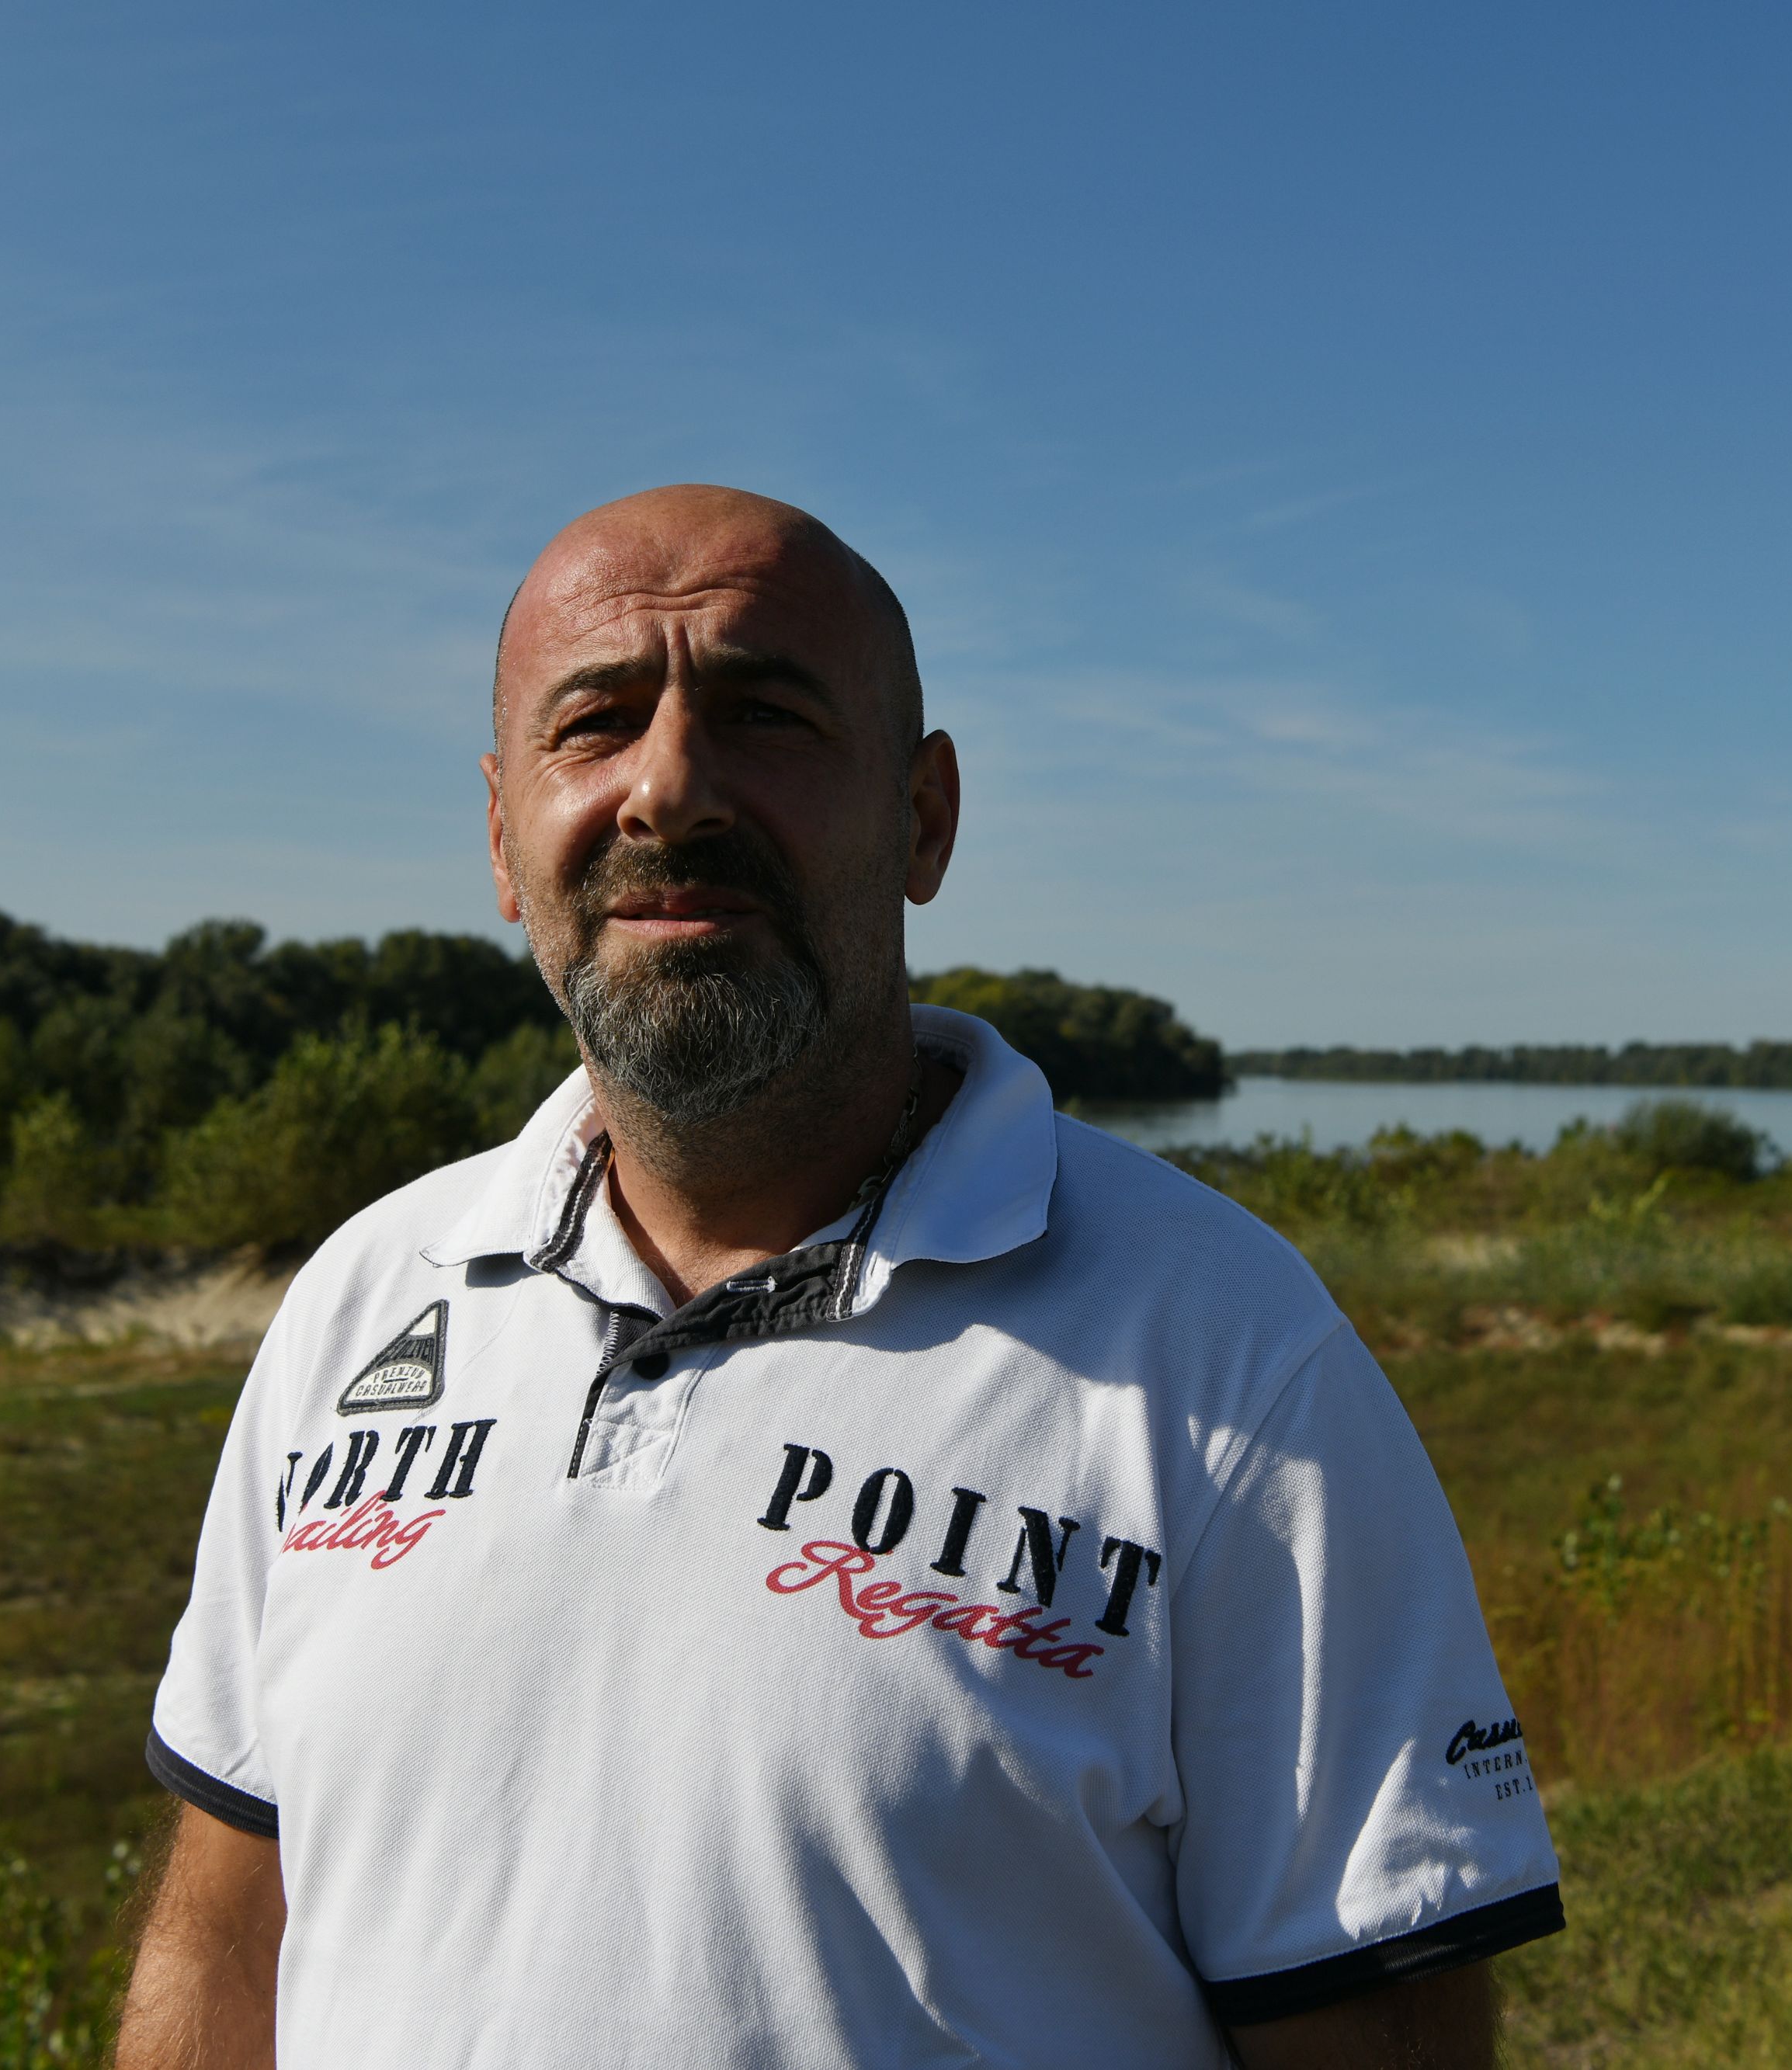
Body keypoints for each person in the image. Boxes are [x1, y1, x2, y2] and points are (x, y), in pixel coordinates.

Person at [116, 485, 1563, 2068]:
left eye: (767, 715)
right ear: (498, 836)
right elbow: (222, 1934)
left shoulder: (1228, 1359)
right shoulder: (360, 1299)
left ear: (922, 817)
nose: (667, 787)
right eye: (593, 724)